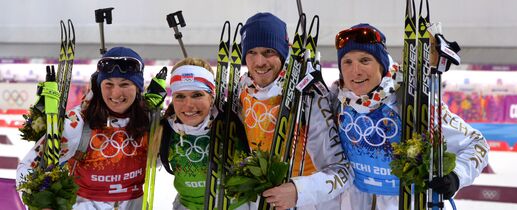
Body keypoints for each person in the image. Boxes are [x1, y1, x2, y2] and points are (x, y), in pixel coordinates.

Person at [330, 23, 490, 209]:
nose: (355, 71)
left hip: (408, 202)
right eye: (347, 62)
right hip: (354, 201)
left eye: (365, 60)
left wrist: (456, 176)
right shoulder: (336, 101)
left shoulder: (412, 99)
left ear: (382, 65)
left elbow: (477, 144)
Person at [17, 46, 164, 210]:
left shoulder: (151, 120)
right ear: (99, 85)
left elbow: (160, 159)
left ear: (138, 87)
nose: (116, 93)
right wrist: (41, 203)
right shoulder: (77, 123)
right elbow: (28, 167)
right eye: (108, 84)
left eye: (125, 84)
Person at [235, 12, 351, 210]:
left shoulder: (308, 95)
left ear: (282, 52)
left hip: (308, 203)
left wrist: (299, 191)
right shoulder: (243, 90)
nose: (259, 62)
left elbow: (342, 172)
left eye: (268, 52)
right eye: (252, 52)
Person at [159, 57, 246, 210]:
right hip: (186, 206)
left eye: (197, 95)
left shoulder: (235, 121)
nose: (188, 105)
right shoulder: (165, 129)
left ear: (211, 97)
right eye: (180, 96)